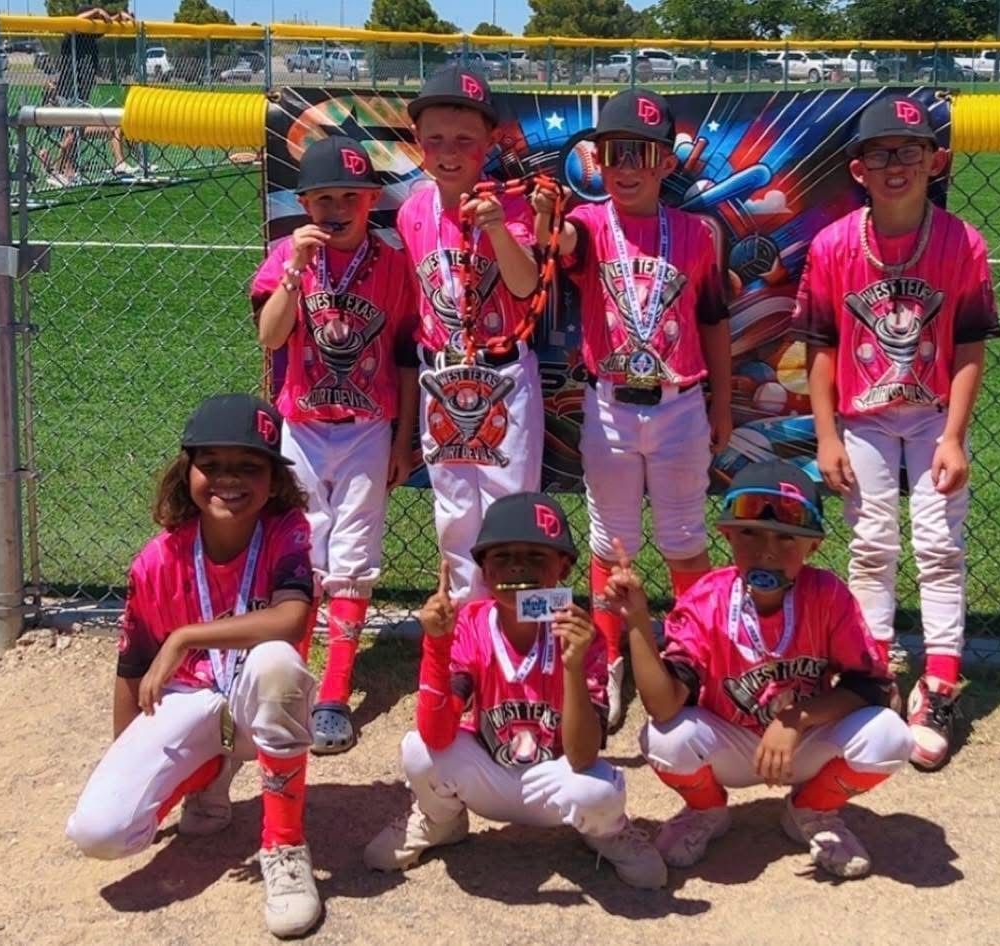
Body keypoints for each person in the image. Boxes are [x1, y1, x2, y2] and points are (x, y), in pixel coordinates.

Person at [792, 95, 1000, 770]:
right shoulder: (832, 246)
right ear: (857, 169)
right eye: (880, 154)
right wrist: (824, 434)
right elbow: (821, 346)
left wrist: (954, 436)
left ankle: (939, 683)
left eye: (910, 153)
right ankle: (874, 674)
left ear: (934, 161)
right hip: (862, 415)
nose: (895, 166)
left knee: (940, 545)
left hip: (934, 411)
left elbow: (970, 343)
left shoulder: (961, 241)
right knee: (872, 541)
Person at [65, 394, 321, 938]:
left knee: (277, 663)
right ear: (189, 472)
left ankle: (284, 845)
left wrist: (185, 637)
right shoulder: (156, 560)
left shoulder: (286, 531)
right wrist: (129, 760)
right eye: (213, 465)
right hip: (193, 703)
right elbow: (133, 667)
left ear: (274, 480)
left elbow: (292, 619)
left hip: (260, 703)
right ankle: (210, 774)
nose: (229, 479)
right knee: (100, 833)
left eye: (249, 466)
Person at [531, 88, 733, 733]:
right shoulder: (590, 222)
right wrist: (544, 220)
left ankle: (689, 653)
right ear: (598, 160)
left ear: (665, 164)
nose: (627, 167)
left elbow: (714, 321)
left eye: (641, 154)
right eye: (616, 153)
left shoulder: (699, 232)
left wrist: (723, 402)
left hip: (679, 404)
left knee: (684, 539)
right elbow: (560, 246)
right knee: (610, 541)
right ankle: (610, 661)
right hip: (611, 404)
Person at [609, 459, 912, 877]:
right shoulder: (706, 599)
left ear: (814, 546)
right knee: (665, 739)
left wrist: (796, 718)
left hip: (800, 742)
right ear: (727, 535)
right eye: (749, 533)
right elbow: (663, 707)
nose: (767, 550)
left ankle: (811, 811)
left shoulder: (827, 596)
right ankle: (706, 812)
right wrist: (639, 623)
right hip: (729, 744)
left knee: (889, 734)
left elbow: (873, 686)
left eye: (787, 537)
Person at [362, 492, 667, 889]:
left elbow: (583, 755)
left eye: (536, 556)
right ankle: (442, 820)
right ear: (483, 571)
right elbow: (437, 734)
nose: (517, 567)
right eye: (501, 557)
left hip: (554, 781)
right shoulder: (471, 623)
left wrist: (572, 668)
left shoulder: (580, 633)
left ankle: (603, 832)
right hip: (488, 773)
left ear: (564, 567)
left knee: (599, 790)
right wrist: (436, 646)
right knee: (418, 750)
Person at [252, 135, 419, 756]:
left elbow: (405, 356)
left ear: (372, 199)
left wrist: (405, 439)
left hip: (369, 427)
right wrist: (293, 273)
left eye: (351, 195)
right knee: (301, 549)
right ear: (304, 203)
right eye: (323, 197)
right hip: (302, 425)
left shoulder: (395, 265)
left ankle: (334, 693)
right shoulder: (284, 256)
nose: (336, 207)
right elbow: (272, 337)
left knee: (351, 556)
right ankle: (292, 683)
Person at [397, 65, 543, 602]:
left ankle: (516, 619)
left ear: (489, 143)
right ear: (419, 143)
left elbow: (526, 284)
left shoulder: (513, 203)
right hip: (442, 376)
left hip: (502, 374)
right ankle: (468, 625)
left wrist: (498, 227)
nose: (449, 152)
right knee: (455, 507)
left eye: (464, 140)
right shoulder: (413, 210)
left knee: (510, 502)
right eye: (435, 139)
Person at [37, 6, 134, 186]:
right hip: (67, 94)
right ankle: (61, 172)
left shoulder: (91, 38)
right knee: (71, 135)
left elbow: (108, 24)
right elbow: (76, 21)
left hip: (82, 95)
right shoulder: (72, 37)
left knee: (104, 128)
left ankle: (117, 165)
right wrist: (97, 11)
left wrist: (120, 16)